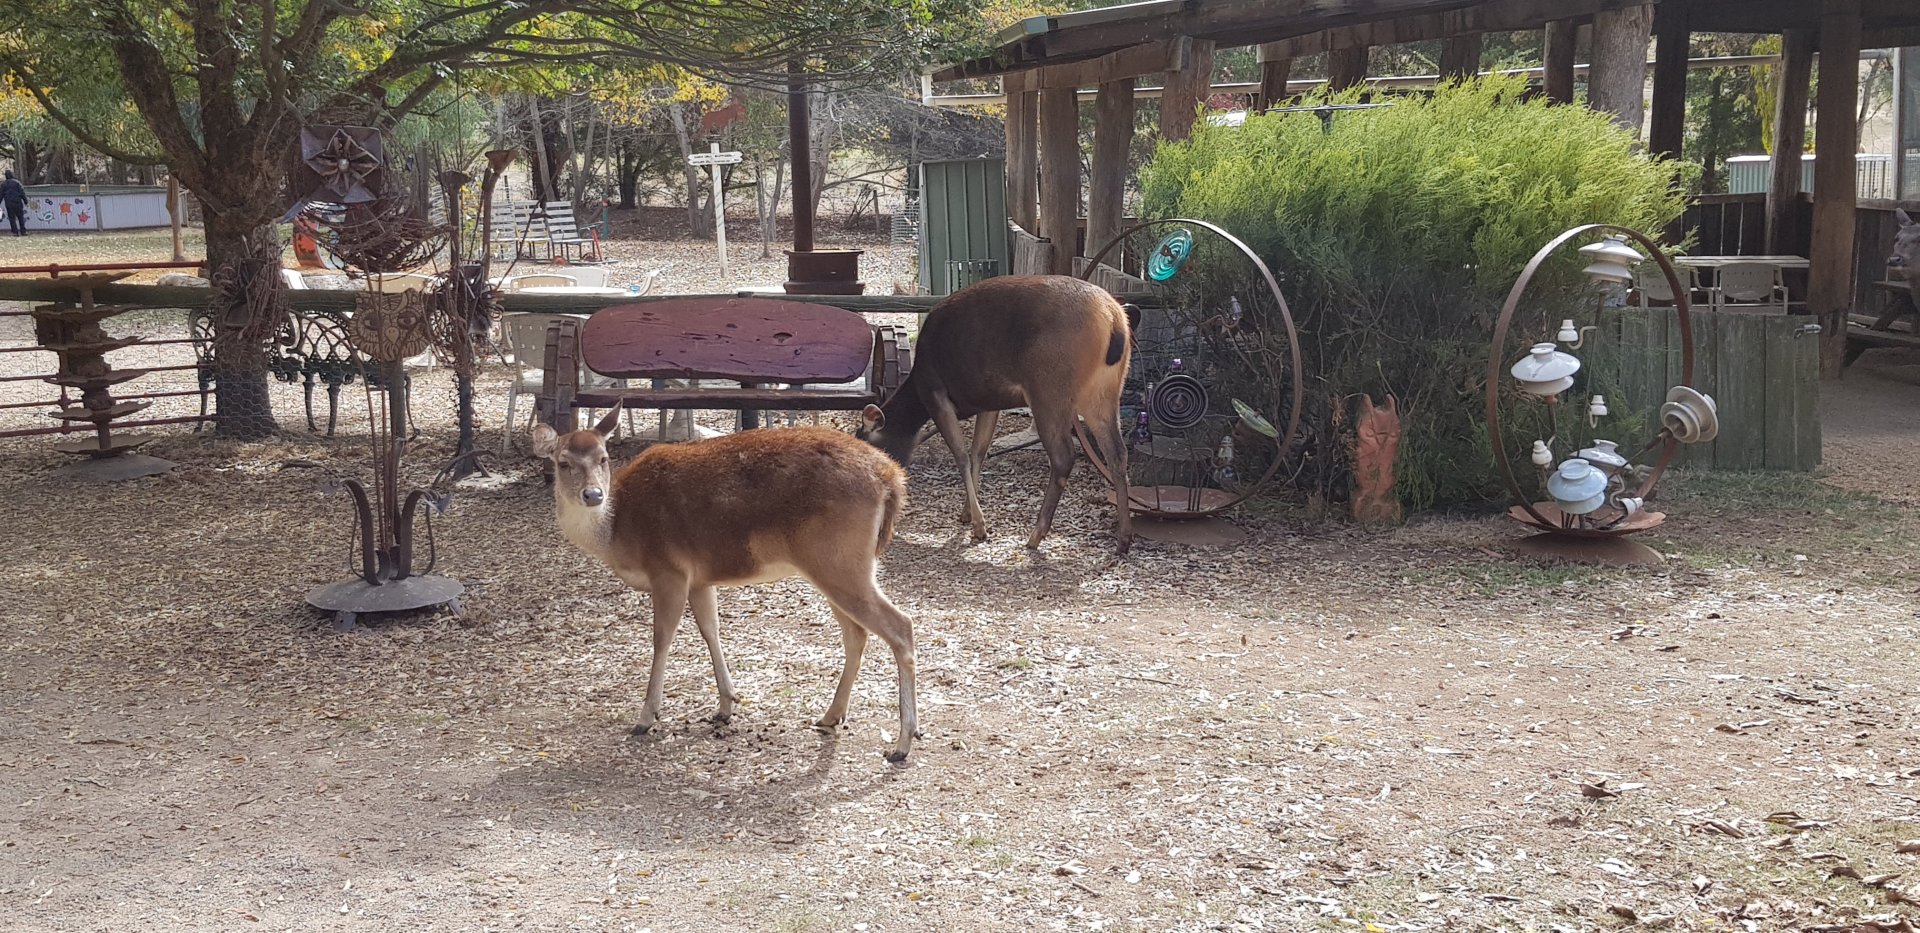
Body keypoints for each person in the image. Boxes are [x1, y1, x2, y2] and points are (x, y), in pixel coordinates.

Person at [1, 170, 25, 237]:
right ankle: (23, 231)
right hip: (18, 202)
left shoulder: (3, 184)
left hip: (9, 203)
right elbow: (22, 192)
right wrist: (25, 200)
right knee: (20, 217)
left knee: (12, 218)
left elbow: (1, 194)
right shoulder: (17, 183)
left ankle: (15, 232)